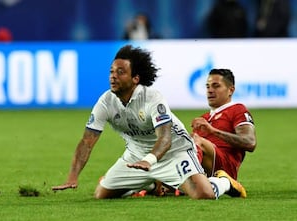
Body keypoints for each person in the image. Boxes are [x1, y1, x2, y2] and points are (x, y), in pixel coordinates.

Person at [52, 45, 246, 199]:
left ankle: (224, 183)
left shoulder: (152, 98)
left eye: (120, 72)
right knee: (101, 194)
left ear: (135, 78)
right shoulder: (106, 102)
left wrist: (149, 161)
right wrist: (73, 176)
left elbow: (165, 139)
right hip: (136, 156)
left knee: (203, 194)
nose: (113, 76)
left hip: (174, 153)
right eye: (111, 71)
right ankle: (152, 182)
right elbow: (87, 142)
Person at [191, 69, 257, 184]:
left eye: (216, 86)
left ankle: (189, 179)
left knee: (196, 140)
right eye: (207, 87)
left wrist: (213, 131)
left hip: (225, 170)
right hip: (206, 166)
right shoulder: (204, 118)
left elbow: (250, 142)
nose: (210, 90)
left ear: (230, 90)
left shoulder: (238, 110)